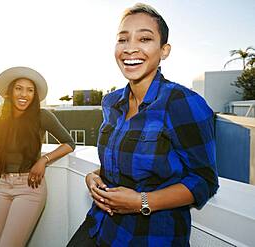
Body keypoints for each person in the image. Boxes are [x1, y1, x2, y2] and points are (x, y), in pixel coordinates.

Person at [68, 3, 219, 247]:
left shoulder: (182, 102)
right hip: (101, 225)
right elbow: (125, 163)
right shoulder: (111, 102)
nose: (130, 48)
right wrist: (93, 177)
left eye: (145, 38)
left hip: (149, 237)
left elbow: (204, 180)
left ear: (164, 50)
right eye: (123, 39)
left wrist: (142, 202)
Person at [0, 66, 76, 247]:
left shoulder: (42, 115)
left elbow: (69, 143)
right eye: (19, 88)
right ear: (10, 92)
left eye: (30, 90)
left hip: (29, 188)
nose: (24, 94)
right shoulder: (0, 117)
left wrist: (43, 160)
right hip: (3, 186)